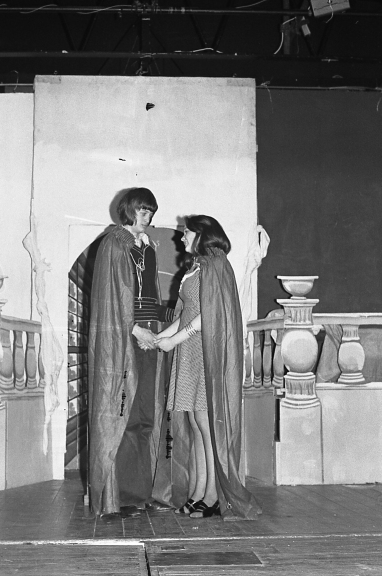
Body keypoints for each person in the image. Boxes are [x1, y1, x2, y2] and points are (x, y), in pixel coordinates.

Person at [154, 215, 261, 520]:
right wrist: (161, 338)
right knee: (195, 423)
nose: (181, 238)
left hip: (204, 350)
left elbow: (208, 316)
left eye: (186, 233)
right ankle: (199, 492)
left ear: (201, 234)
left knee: (205, 424)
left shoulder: (215, 265)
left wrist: (174, 340)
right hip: (189, 349)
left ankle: (213, 497)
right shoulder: (198, 267)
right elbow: (186, 313)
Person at [88, 187, 173, 519]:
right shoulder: (113, 244)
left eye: (150, 211)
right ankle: (118, 496)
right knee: (122, 416)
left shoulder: (148, 247)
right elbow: (112, 301)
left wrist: (161, 329)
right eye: (142, 210)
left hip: (149, 338)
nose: (147, 217)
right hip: (127, 340)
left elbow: (149, 296)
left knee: (145, 416)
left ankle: (140, 493)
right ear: (128, 210)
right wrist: (136, 331)